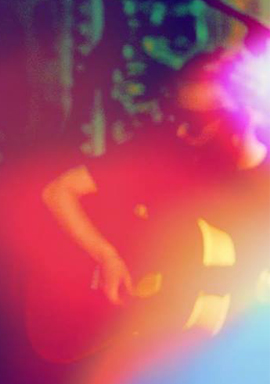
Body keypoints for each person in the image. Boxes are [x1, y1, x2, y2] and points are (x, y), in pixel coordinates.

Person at [41, 49, 268, 306]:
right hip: (125, 311)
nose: (181, 130)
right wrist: (107, 256)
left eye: (197, 120)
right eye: (179, 115)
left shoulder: (257, 178)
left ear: (238, 117)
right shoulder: (161, 152)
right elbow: (58, 192)